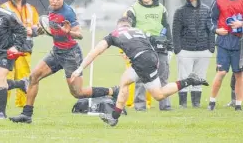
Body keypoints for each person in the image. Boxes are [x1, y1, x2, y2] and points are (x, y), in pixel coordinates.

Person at [9, 0, 119, 124]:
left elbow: (79, 35)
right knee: (34, 77)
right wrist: (33, 31)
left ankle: (112, 91)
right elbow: (47, 28)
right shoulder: (50, 9)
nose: (55, 1)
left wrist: (69, 32)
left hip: (71, 55)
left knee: (77, 93)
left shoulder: (68, 12)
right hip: (56, 52)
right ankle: (27, 114)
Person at [71, 17, 208, 127]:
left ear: (118, 26)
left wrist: (80, 68)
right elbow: (152, 42)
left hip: (142, 61)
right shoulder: (138, 30)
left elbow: (96, 51)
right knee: (124, 81)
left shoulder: (113, 34)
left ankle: (190, 80)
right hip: (149, 58)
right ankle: (114, 117)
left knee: (159, 95)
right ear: (129, 26)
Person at [123, 0, 173, 111]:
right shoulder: (133, 9)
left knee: (163, 76)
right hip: (142, 46)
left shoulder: (161, 8)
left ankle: (165, 105)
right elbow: (128, 28)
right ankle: (140, 105)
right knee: (141, 77)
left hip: (160, 45)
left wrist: (171, 47)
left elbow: (166, 27)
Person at [172, 0, 215, 108]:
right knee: (184, 77)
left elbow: (210, 30)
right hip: (185, 50)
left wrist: (211, 48)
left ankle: (196, 103)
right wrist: (178, 50)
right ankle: (183, 104)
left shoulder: (207, 10)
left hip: (203, 50)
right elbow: (176, 32)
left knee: (200, 77)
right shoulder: (180, 11)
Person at [0, 0, 39, 107]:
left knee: (24, 74)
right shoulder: (3, 8)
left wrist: (33, 31)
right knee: (5, 73)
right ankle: (0, 101)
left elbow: (38, 26)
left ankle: (22, 102)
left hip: (25, 46)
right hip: (8, 46)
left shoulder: (31, 9)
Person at [207, 0, 243, 111]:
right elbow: (210, 19)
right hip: (223, 41)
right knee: (221, 72)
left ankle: (238, 104)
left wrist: (241, 23)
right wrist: (216, 30)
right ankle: (211, 102)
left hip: (239, 42)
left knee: (239, 74)